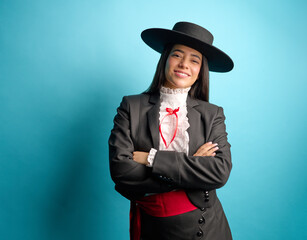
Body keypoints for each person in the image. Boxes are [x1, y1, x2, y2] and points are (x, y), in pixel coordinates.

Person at [109, 21, 234, 240]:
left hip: (206, 229)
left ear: (200, 71)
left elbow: (219, 172)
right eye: (177, 55)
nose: (184, 64)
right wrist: (192, 165)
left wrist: (152, 159)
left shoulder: (213, 114)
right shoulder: (131, 106)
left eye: (194, 60)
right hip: (152, 227)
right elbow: (121, 172)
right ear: (165, 59)